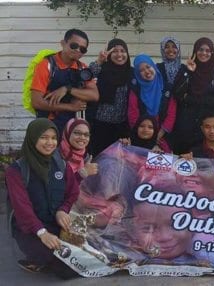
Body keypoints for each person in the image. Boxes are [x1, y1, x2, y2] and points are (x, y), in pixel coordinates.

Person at [5, 118, 80, 278]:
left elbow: (73, 192)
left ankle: (41, 258)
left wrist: (63, 210)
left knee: (93, 252)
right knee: (67, 269)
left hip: (56, 224)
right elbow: (22, 208)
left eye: (53, 138)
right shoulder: (17, 170)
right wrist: (42, 233)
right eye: (44, 137)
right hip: (30, 230)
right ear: (32, 138)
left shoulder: (61, 165)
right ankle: (36, 258)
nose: (50, 142)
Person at [31, 28, 99, 132]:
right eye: (74, 45)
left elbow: (94, 95)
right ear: (63, 43)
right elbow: (37, 102)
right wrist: (71, 107)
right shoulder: (46, 65)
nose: (77, 50)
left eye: (82, 49)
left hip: (73, 128)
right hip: (49, 126)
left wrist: (68, 89)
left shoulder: (82, 68)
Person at [171, 38, 214, 154]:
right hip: (185, 127)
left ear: (212, 53)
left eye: (207, 50)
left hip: (206, 130)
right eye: (200, 49)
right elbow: (178, 94)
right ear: (195, 51)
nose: (204, 53)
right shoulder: (185, 70)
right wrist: (189, 71)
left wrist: (189, 99)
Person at [88, 38, 133, 156]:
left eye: (123, 51)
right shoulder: (102, 70)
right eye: (114, 51)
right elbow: (88, 74)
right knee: (99, 160)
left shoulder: (132, 73)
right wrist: (100, 60)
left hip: (122, 128)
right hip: (100, 126)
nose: (119, 54)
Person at [127, 54, 176, 152]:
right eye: (141, 70)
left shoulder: (168, 88)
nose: (146, 71)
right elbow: (133, 114)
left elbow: (171, 114)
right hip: (141, 137)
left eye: (148, 67)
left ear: (153, 66)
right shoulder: (136, 89)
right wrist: (144, 132)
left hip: (162, 137)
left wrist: (158, 134)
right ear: (137, 74)